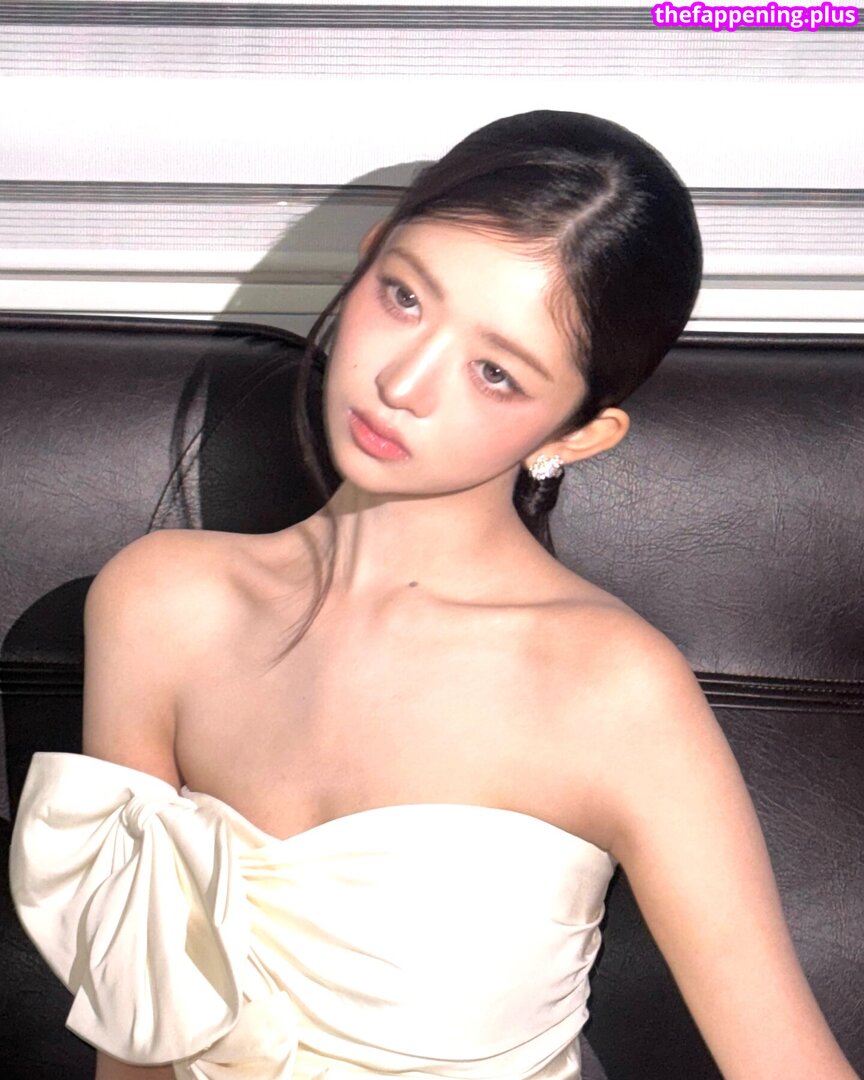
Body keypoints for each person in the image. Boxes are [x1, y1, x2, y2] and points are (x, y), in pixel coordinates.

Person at [9, 111, 857, 1080]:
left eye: (495, 372)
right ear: (369, 256)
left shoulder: (613, 690)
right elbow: (135, 1037)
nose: (404, 382)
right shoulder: (161, 606)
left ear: (574, 435)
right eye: (405, 296)